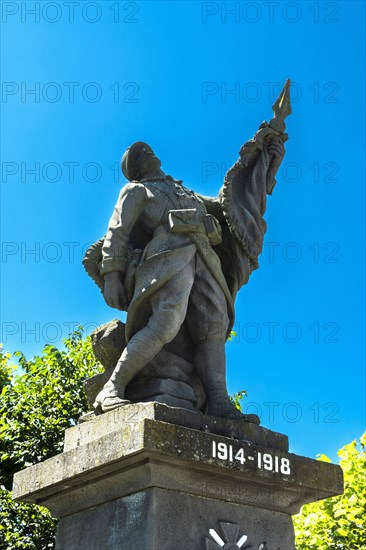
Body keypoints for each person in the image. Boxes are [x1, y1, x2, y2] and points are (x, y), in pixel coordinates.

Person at [93, 135, 285, 418]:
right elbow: (117, 231)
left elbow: (228, 204)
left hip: (204, 257)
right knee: (165, 323)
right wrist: (112, 274)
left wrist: (263, 165)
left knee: (213, 327)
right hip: (166, 257)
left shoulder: (187, 193)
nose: (147, 152)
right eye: (139, 154)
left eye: (147, 148)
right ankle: (112, 388)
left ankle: (218, 401)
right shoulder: (136, 191)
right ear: (134, 169)